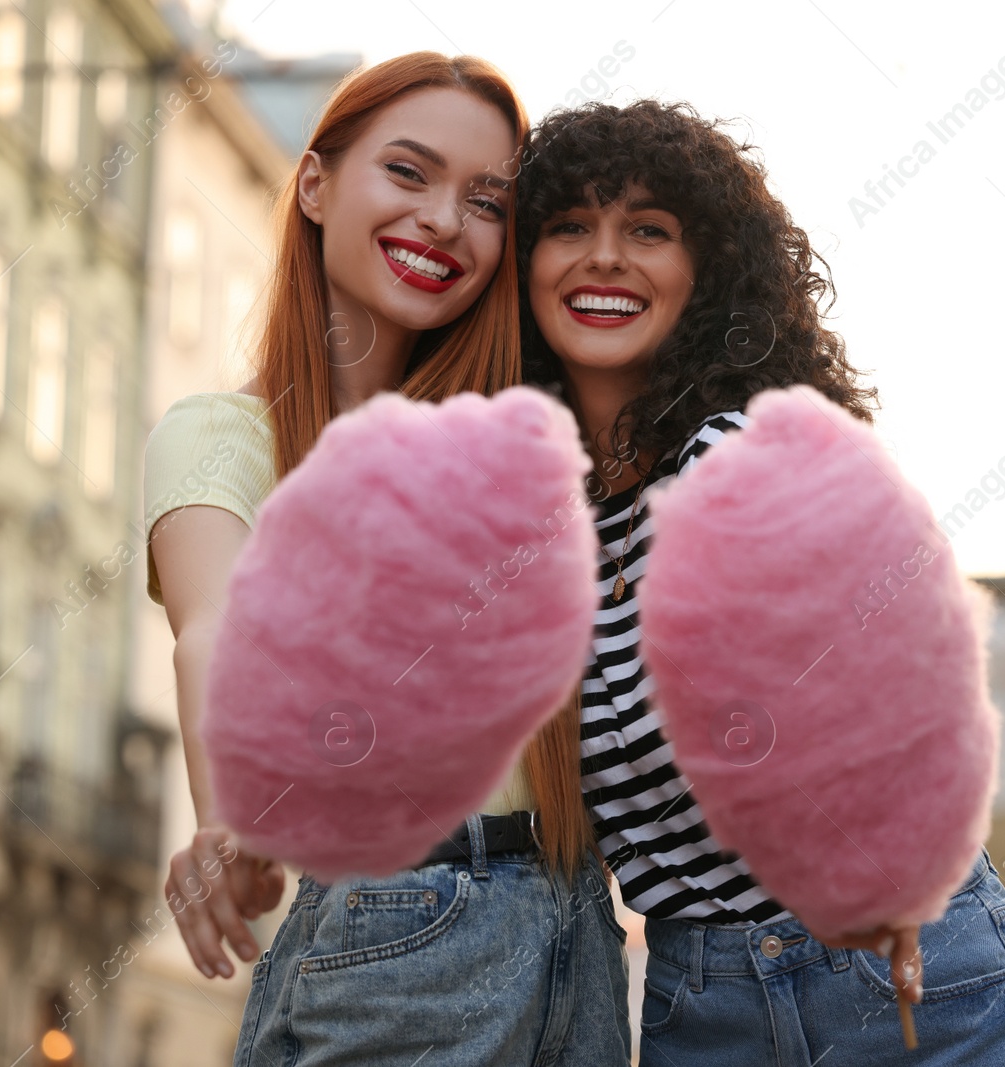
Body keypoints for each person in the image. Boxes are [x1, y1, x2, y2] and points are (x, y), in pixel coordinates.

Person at [517, 99, 1005, 1066]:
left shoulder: (743, 454)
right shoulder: (545, 525)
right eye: (569, 226)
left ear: (708, 272)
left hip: (896, 971)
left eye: (648, 230)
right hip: (703, 997)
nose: (605, 256)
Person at [143, 54, 630, 1065]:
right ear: (315, 184)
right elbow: (214, 629)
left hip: (577, 934)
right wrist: (234, 816)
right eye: (408, 173)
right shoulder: (229, 437)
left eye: (486, 201)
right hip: (406, 920)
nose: (445, 220)